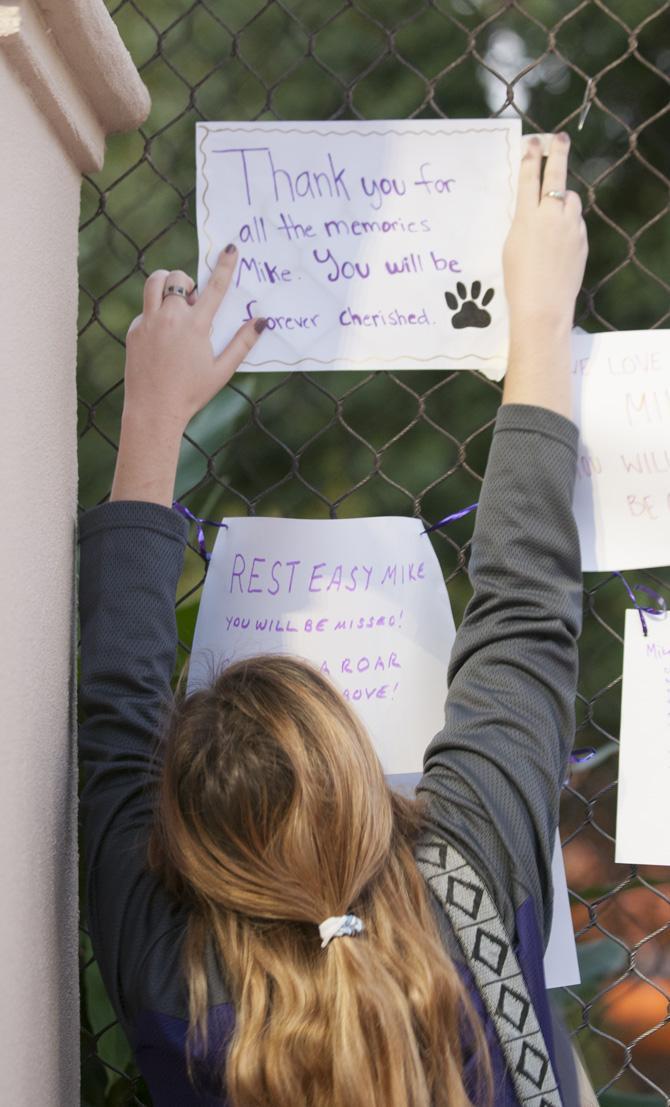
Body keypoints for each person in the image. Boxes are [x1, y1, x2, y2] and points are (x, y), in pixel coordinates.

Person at [77, 131, 591, 1106]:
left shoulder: (171, 979)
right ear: (365, 781)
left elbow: (526, 617)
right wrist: (539, 317)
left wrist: (147, 418)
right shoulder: (463, 888)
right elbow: (525, 616)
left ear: (182, 844)